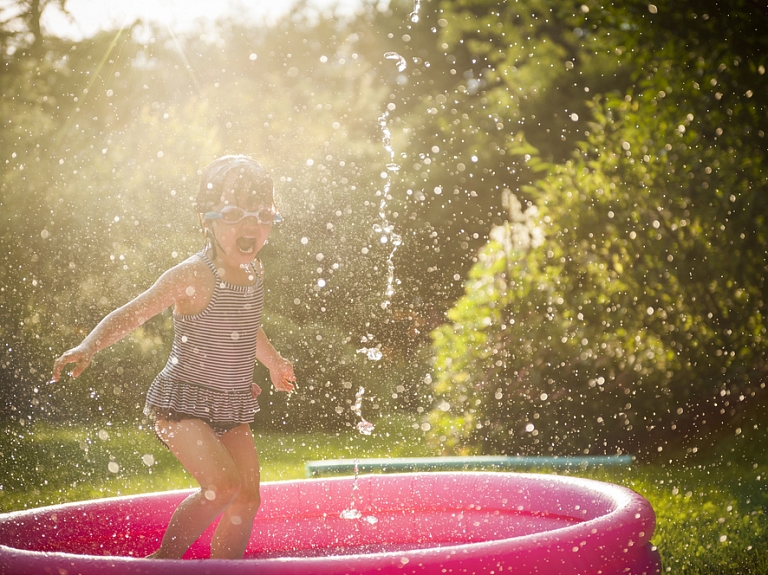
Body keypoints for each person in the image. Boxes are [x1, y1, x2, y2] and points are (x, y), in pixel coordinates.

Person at [51, 155, 296, 559]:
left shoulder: (254, 273)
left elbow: (247, 324)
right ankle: (162, 563)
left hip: (231, 402)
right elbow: (136, 310)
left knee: (248, 498)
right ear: (208, 220)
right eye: (235, 214)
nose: (251, 226)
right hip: (182, 404)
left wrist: (273, 361)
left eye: (263, 214)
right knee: (222, 486)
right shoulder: (194, 275)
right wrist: (89, 345)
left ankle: (225, 571)